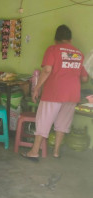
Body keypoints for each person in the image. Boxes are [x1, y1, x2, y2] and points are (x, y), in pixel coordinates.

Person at [21, 24, 88, 161]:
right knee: (63, 123)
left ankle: (34, 151)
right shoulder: (79, 53)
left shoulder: (53, 49)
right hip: (72, 94)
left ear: (56, 39)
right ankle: (56, 152)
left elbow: (46, 70)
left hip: (54, 93)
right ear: (70, 39)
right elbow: (85, 78)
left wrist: (37, 88)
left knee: (43, 121)